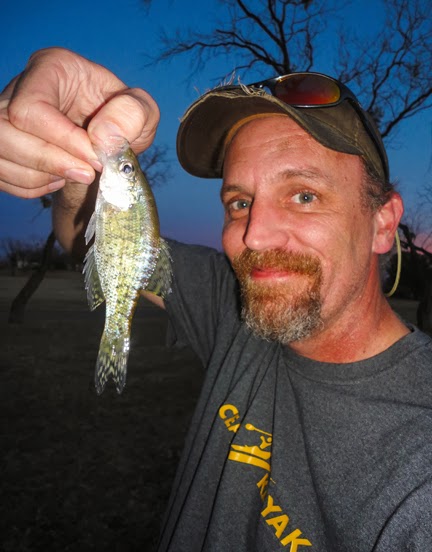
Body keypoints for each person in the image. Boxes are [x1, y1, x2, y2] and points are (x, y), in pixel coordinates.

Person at [1, 48, 432, 551]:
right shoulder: (236, 305)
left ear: (383, 223)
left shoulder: (417, 462)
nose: (255, 236)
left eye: (304, 195)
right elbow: (84, 242)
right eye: (240, 202)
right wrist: (80, 159)